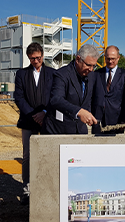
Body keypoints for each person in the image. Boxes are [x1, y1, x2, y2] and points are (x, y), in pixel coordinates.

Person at [14, 42, 55, 205]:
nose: (36, 61)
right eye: (32, 59)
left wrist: (44, 113)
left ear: (43, 55)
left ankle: (46, 188)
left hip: (47, 120)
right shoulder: (21, 74)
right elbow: (19, 97)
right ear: (28, 58)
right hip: (28, 120)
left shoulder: (53, 74)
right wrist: (33, 114)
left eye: (38, 58)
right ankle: (27, 190)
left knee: (47, 154)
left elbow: (56, 96)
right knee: (27, 156)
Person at [42, 44, 99, 134]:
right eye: (88, 65)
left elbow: (89, 100)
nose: (91, 69)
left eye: (94, 66)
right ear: (78, 59)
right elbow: (56, 99)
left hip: (80, 130)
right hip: (59, 130)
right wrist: (79, 112)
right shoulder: (62, 74)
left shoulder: (91, 75)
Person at [91, 45, 125, 134]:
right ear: (104, 58)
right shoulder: (96, 74)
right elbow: (91, 96)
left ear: (118, 58)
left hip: (117, 122)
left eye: (113, 59)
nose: (110, 61)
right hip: (98, 121)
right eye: (108, 58)